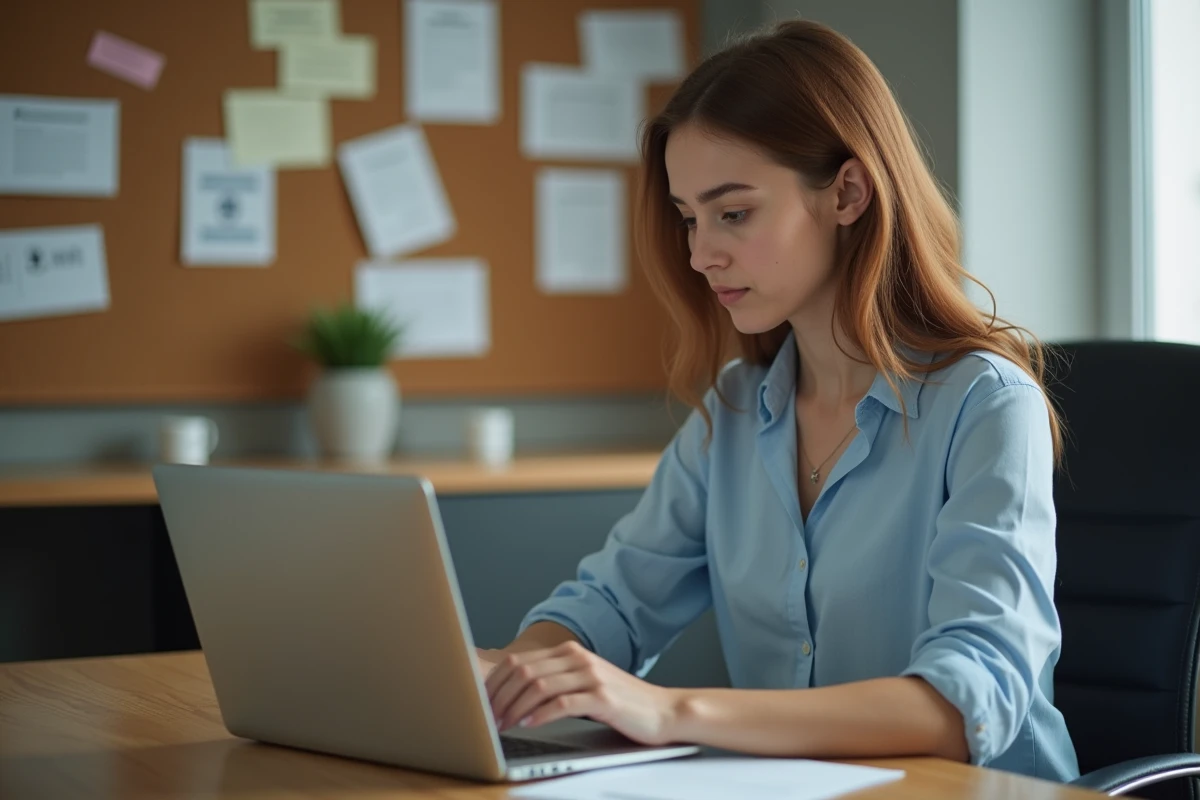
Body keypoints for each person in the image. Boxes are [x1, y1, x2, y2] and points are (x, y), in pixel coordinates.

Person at [480, 18, 1078, 782]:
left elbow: (962, 706)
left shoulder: (988, 406)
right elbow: (611, 605)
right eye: (690, 218)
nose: (700, 254)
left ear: (848, 193)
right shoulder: (733, 411)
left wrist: (669, 710)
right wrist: (501, 677)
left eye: (733, 213)